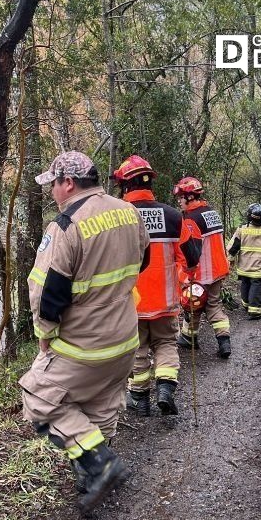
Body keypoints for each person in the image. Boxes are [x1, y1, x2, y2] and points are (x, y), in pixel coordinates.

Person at [18, 151, 150, 515]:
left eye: (54, 184)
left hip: (83, 345)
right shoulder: (128, 211)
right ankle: (91, 477)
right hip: (125, 338)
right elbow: (144, 260)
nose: (52, 193)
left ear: (69, 183)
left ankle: (99, 463)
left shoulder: (65, 225)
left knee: (38, 397)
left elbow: (47, 292)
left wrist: (45, 335)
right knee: (101, 403)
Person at [113, 155, 201, 417]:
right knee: (165, 343)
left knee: (137, 347)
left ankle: (139, 398)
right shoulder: (173, 216)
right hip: (165, 300)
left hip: (131, 301)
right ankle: (165, 388)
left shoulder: (116, 217)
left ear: (125, 186)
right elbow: (191, 257)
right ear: (150, 183)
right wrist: (189, 278)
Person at [172, 177, 233, 358]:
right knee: (212, 304)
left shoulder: (191, 219)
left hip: (201, 272)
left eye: (181, 197)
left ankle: (190, 337)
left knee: (192, 304)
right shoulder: (211, 213)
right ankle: (223, 341)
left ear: (190, 197)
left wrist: (185, 275)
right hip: (218, 270)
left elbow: (191, 251)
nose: (179, 201)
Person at [228, 203, 261, 319]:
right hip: (260, 268)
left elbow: (233, 247)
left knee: (245, 284)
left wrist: (230, 260)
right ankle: (254, 311)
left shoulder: (242, 229)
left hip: (245, 267)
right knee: (257, 286)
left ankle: (246, 304)